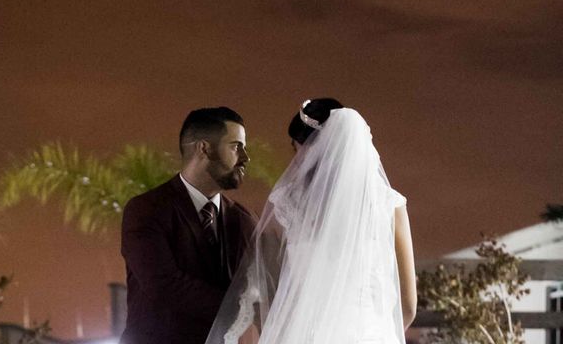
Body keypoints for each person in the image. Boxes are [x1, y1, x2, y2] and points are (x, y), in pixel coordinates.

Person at [205, 98, 417, 344]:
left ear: (314, 148)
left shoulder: (288, 205)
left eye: (297, 148)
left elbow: (268, 291)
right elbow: (408, 306)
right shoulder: (390, 207)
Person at [120, 107, 258, 344]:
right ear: (203, 148)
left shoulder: (243, 220)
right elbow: (164, 285)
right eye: (236, 147)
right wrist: (241, 307)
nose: (245, 157)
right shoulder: (147, 209)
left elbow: (259, 284)